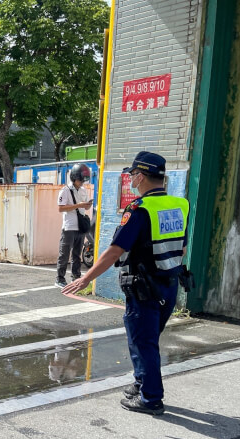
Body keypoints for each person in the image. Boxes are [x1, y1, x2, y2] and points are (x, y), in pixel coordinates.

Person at [61, 152, 189, 416]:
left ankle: (151, 398)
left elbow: (115, 251)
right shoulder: (180, 204)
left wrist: (86, 278)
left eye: (132, 174)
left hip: (144, 287)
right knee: (148, 339)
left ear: (141, 176)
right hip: (169, 283)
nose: (131, 179)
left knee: (144, 342)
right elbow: (183, 247)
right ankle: (142, 383)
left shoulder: (139, 209)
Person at [56, 163, 93, 288]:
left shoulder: (83, 190)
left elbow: (85, 206)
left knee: (77, 254)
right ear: (74, 178)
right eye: (80, 180)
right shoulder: (65, 190)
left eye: (83, 180)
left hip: (80, 227)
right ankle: (59, 279)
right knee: (64, 253)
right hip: (69, 226)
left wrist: (87, 205)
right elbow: (61, 208)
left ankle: (76, 277)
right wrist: (79, 205)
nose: (82, 182)